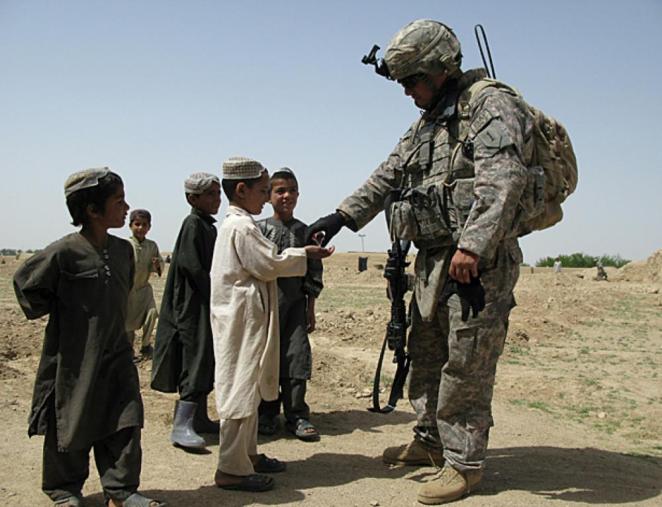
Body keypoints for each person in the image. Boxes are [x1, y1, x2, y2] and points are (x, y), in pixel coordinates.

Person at [307, 19, 535, 505]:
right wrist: (342, 217)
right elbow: (388, 175)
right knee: (426, 354)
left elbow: (503, 181)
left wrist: (472, 247)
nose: (407, 91)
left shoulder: (490, 104)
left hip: (478, 263)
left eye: (413, 80)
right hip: (433, 261)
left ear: (439, 69)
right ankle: (430, 441)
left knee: (466, 364)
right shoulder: (429, 122)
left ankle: (465, 464)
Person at [13, 168, 163, 507]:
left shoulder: (123, 250)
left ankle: (121, 491)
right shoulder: (64, 252)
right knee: (72, 418)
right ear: (93, 210)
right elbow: (27, 286)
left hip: (117, 353)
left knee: (125, 419)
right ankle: (64, 490)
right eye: (119, 201)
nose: (127, 208)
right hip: (75, 357)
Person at [210, 157, 333, 492]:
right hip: (241, 322)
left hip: (250, 320)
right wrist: (304, 254)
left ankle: (247, 456)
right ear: (242, 190)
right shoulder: (241, 227)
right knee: (239, 392)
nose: (267, 198)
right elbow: (268, 264)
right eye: (264, 191)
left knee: (249, 390)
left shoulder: (241, 224)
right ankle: (231, 469)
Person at [151, 172, 221, 450]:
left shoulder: (206, 225)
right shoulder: (193, 224)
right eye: (211, 194)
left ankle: (200, 418)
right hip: (191, 306)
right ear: (193, 199)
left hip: (203, 303)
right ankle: (182, 425)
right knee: (195, 357)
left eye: (218, 193)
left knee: (205, 358)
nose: (217, 199)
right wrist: (216, 292)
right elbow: (192, 267)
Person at [256, 167, 324, 442]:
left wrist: (310, 308)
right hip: (264, 308)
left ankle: (297, 415)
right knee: (266, 359)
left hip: (295, 306)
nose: (287, 196)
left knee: (296, 358)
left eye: (292, 190)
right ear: (269, 195)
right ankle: (266, 413)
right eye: (280, 191)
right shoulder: (258, 229)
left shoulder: (306, 232)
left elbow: (313, 272)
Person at [126, 208, 164, 362]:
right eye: (137, 224)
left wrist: (157, 265)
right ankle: (128, 351)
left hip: (144, 289)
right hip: (128, 291)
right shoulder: (125, 245)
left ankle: (146, 345)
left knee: (152, 313)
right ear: (130, 225)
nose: (141, 228)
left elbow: (158, 267)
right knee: (128, 324)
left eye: (144, 225)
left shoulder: (152, 246)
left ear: (149, 227)